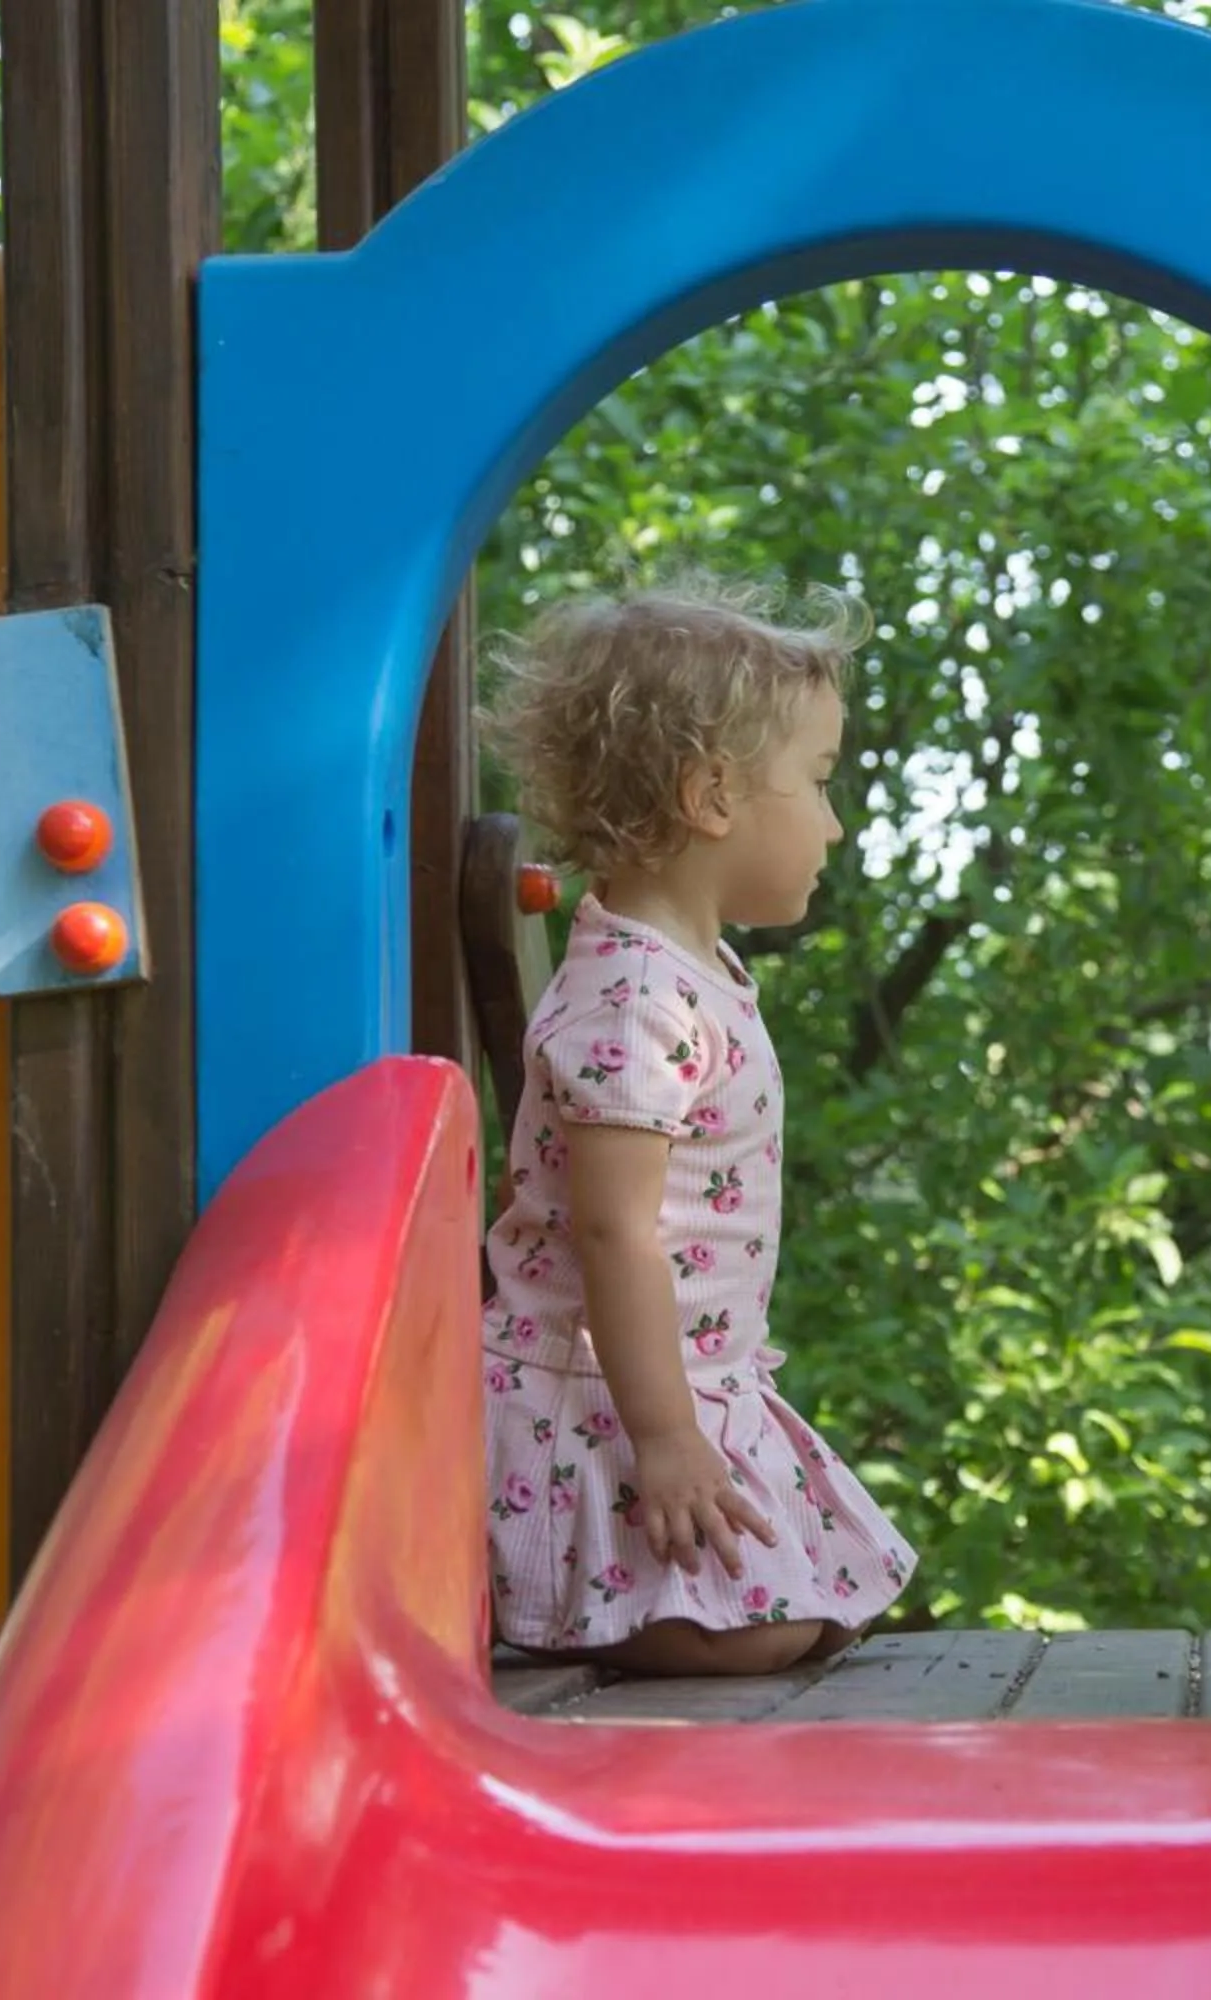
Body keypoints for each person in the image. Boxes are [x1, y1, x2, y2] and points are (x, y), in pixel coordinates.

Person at [478, 571, 917, 1676]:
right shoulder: (634, 1001)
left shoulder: (686, 972)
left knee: (826, 1606)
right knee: (767, 1632)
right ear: (712, 794)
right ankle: (555, 1598)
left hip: (693, 1376)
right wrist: (667, 1440)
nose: (834, 820)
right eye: (816, 784)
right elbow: (616, 1233)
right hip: (607, 1401)